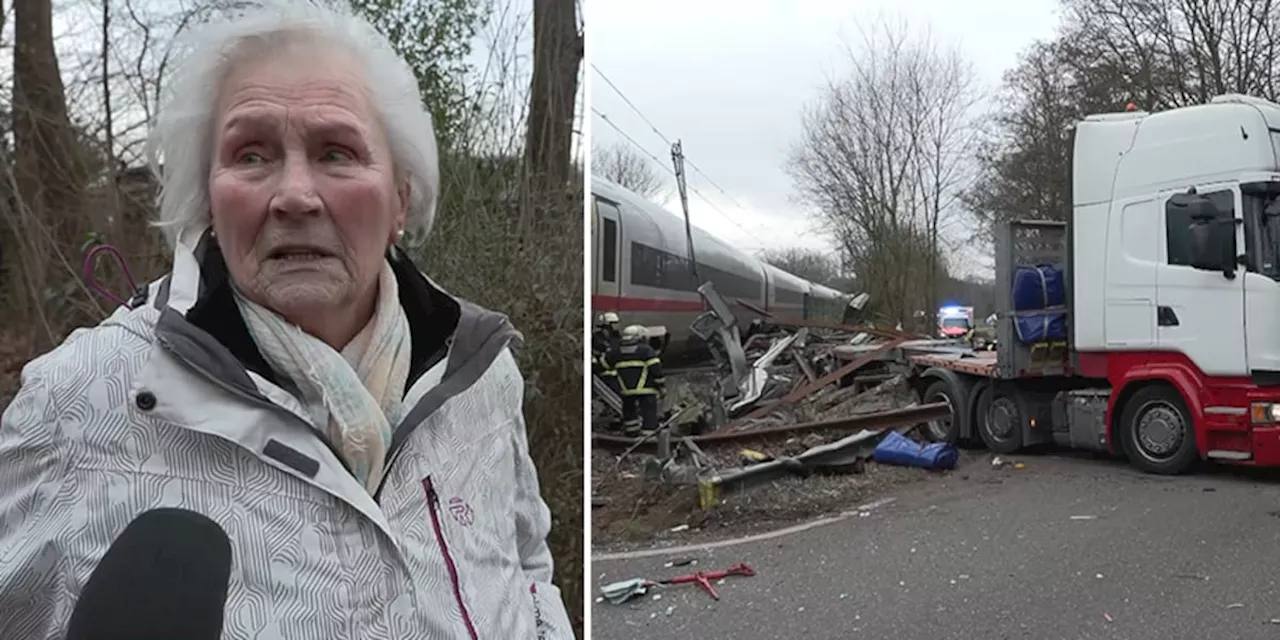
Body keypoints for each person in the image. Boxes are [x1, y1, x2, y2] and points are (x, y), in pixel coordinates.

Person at [0, 1, 573, 637]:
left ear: (400, 199)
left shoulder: (481, 372)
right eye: (251, 155)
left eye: (337, 152)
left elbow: (525, 561)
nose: (295, 195)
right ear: (209, 198)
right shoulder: (75, 406)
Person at [604, 324, 665, 437]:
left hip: (626, 390)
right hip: (646, 389)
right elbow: (656, 370)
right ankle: (648, 435)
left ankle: (631, 433)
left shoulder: (615, 352)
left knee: (629, 411)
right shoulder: (646, 350)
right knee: (649, 412)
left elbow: (604, 364)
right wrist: (661, 386)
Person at [591, 311, 622, 397]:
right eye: (614, 323)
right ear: (607, 324)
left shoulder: (617, 338)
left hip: (617, 375)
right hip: (601, 374)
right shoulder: (596, 338)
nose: (617, 325)